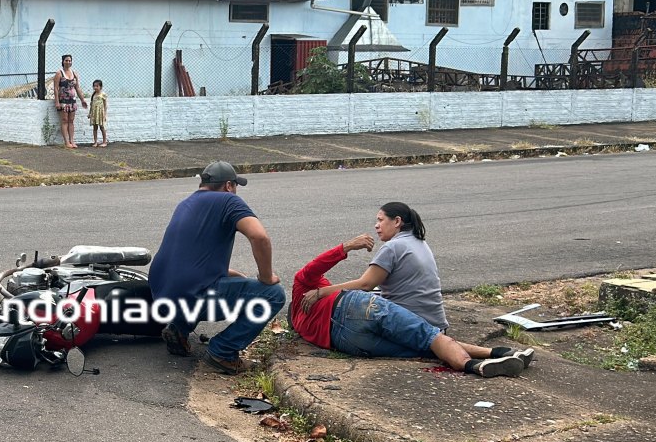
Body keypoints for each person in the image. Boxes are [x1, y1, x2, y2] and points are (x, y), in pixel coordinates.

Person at [291, 234, 533, 377]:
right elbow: (314, 267)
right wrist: (346, 247)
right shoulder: (303, 287)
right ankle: (474, 363)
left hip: (348, 342)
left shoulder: (302, 328)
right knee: (427, 335)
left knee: (424, 344)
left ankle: (496, 356)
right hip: (351, 308)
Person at [150, 161, 287, 374]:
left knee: (212, 284)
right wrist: (266, 276)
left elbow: (188, 258)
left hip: (162, 294)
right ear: (229, 185)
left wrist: (229, 274)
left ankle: (179, 329)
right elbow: (259, 237)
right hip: (192, 295)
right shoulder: (228, 200)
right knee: (273, 294)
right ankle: (223, 351)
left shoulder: (185, 203)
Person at [302, 202, 450, 330]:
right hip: (436, 323)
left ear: (397, 221)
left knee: (351, 301)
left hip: (414, 324)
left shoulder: (393, 246)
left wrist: (321, 292)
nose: (376, 225)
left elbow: (366, 284)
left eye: (381, 220)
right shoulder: (419, 242)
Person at [52, 54, 87, 149]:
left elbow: (77, 88)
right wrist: (57, 102)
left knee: (71, 121)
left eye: (70, 60)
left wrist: (82, 99)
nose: (68, 62)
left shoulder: (74, 73)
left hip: (73, 101)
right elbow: (55, 88)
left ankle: (72, 141)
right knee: (64, 120)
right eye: (66, 60)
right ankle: (66, 142)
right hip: (63, 100)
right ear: (63, 61)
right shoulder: (59, 73)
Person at [88, 79, 108, 147]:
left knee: (102, 127)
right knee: (95, 128)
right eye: (94, 86)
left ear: (101, 87)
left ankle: (104, 142)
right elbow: (91, 105)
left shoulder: (103, 94)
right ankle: (95, 142)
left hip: (100, 113)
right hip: (94, 113)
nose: (95, 87)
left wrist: (104, 115)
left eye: (97, 86)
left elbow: (105, 106)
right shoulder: (93, 95)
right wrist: (89, 113)